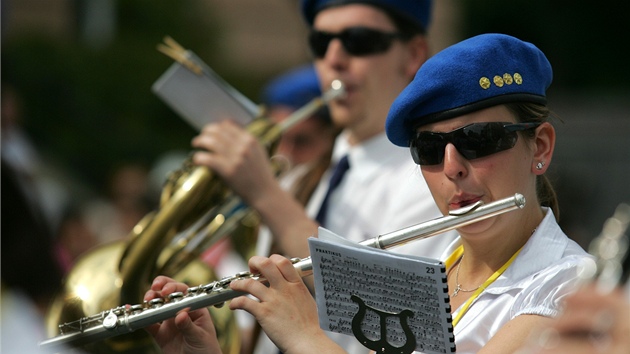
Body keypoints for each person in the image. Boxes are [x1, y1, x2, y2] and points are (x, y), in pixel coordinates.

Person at [144, 33, 596, 353]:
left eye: (479, 140)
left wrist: (306, 337)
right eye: (431, 148)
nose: (453, 167)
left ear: (539, 147)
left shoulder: (570, 286)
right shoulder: (429, 275)